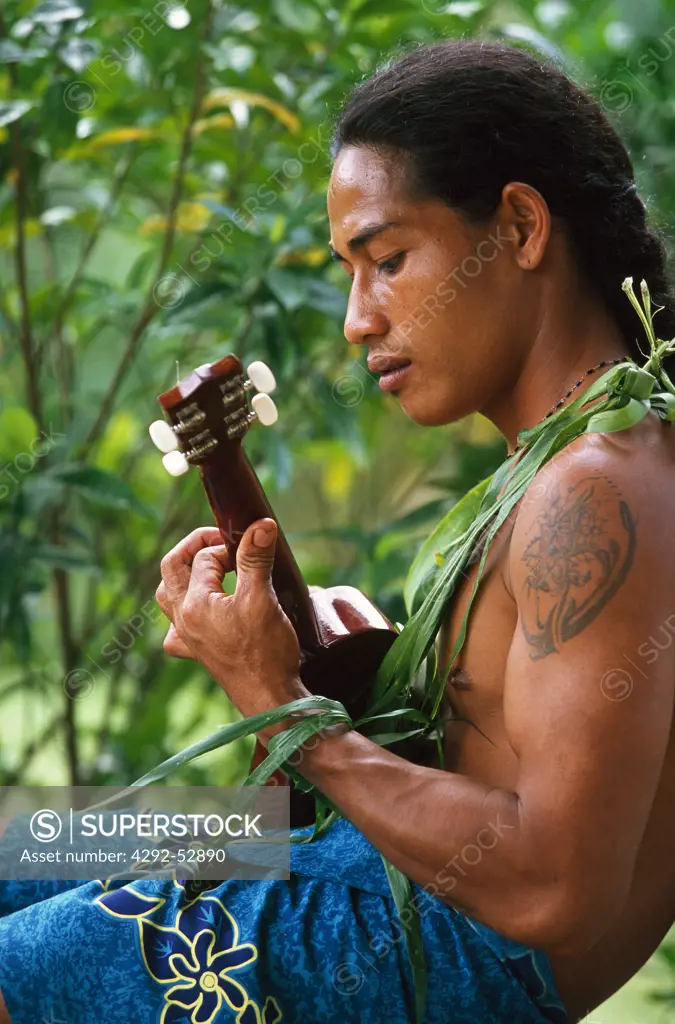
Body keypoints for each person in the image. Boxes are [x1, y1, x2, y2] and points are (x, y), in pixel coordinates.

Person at [1, 37, 675, 1024]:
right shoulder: (579, 455)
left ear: (521, 227)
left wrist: (280, 704)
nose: (360, 318)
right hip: (387, 863)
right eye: (350, 272)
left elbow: (553, 888)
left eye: (389, 260)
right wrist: (353, 664)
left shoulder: (598, 490)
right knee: (26, 844)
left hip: (440, 936)